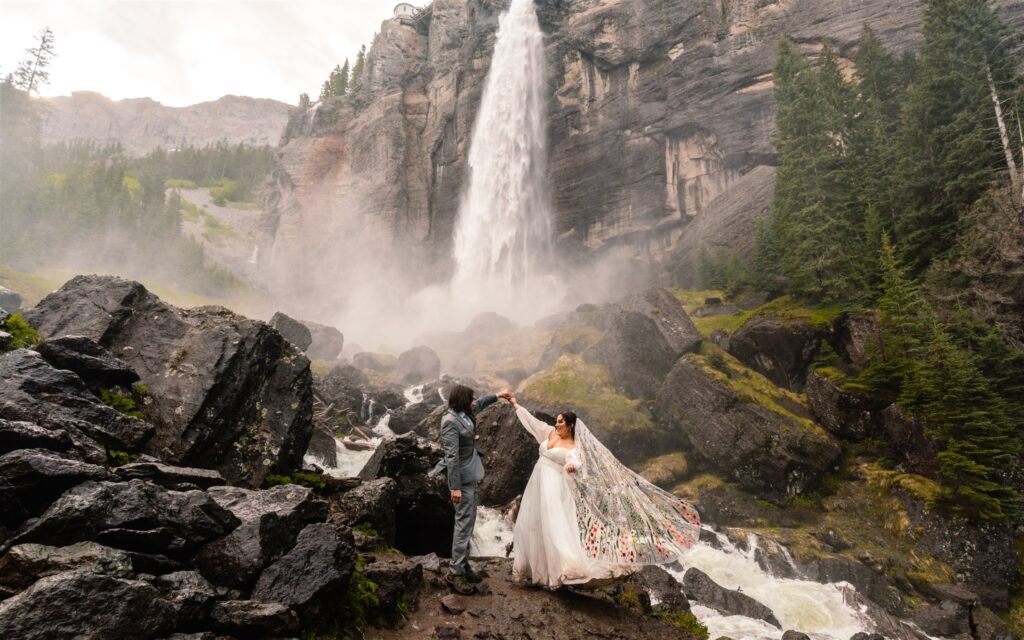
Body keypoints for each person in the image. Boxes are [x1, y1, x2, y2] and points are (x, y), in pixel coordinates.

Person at [509, 394, 701, 588]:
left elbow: (576, 461)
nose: (556, 425)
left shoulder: (575, 447)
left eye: (560, 422)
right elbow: (533, 423)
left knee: (553, 527)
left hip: (554, 487)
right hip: (537, 484)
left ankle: (557, 572)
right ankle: (533, 569)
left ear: (570, 426)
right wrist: (515, 405)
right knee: (532, 523)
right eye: (556, 422)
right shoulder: (550, 433)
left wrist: (571, 467)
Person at [439, 383, 512, 595]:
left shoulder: (465, 413)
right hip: (461, 479)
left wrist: (499, 395)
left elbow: (481, 404)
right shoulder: (449, 421)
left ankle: (462, 564)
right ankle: (454, 573)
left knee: (470, 521)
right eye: (470, 398)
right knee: (463, 523)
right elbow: (451, 456)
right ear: (462, 399)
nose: (474, 401)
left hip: (471, 474)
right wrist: (455, 488)